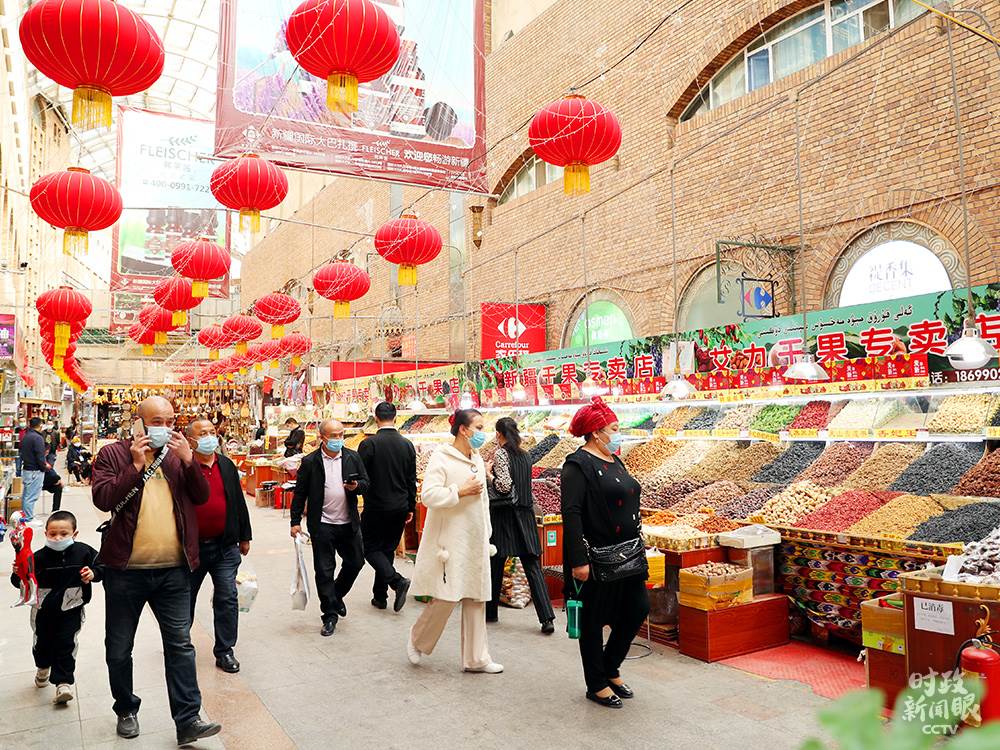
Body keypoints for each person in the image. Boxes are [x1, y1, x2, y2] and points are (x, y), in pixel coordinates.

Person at [91, 396, 221, 744]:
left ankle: (188, 719)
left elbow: (201, 496)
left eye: (170, 421)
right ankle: (126, 709)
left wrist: (191, 462)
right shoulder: (113, 454)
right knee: (119, 648)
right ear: (139, 423)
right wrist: (134, 466)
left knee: (180, 645)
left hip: (174, 571)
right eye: (157, 421)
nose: (165, 428)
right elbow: (103, 499)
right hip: (125, 571)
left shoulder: (178, 457)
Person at [561, 397, 650, 709]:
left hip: (629, 554)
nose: (618, 433)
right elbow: (571, 513)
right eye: (614, 428)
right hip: (596, 558)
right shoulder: (577, 465)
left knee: (638, 608)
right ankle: (596, 683)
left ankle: (610, 666)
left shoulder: (615, 460)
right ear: (596, 432)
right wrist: (578, 560)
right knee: (593, 619)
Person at [407, 409, 502, 674]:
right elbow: (429, 495)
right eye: (479, 427)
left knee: (476, 596)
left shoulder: (477, 457)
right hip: (450, 540)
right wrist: (459, 491)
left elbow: (483, 501)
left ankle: (477, 658)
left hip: (476, 537)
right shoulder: (442, 457)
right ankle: (418, 638)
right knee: (447, 596)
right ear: (463, 429)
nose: (483, 433)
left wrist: (487, 532)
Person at [9, 510, 102, 705]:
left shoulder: (84, 552)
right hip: (43, 611)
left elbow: (102, 566)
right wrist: (18, 573)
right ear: (46, 534)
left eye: (64, 533)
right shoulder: (37, 557)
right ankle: (43, 667)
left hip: (72, 609)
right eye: (53, 534)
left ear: (75, 534)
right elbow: (21, 582)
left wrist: (93, 573)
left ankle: (63, 683)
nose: (58, 538)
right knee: (43, 642)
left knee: (67, 643)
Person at [290, 419, 370, 636]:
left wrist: (356, 486)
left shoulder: (352, 457)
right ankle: (329, 615)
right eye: (333, 436)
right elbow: (300, 493)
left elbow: (366, 483)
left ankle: (335, 595)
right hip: (322, 524)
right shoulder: (310, 461)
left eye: (341, 435)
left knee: (356, 562)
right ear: (322, 438)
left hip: (348, 523)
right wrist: (295, 521)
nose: (338, 439)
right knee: (324, 570)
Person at [185, 419, 253, 674]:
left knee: (227, 597)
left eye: (212, 432)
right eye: (202, 433)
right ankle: (180, 646)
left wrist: (244, 536)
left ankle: (225, 650)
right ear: (190, 440)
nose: (209, 437)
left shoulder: (226, 464)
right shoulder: (183, 467)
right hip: (191, 549)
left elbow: (237, 501)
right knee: (184, 599)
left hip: (225, 546)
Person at [485, 417, 555, 633]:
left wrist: (488, 474)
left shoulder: (501, 454)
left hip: (505, 516)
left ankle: (490, 613)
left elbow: (504, 486)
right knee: (532, 566)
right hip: (526, 515)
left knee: (496, 562)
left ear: (499, 434)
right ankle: (547, 619)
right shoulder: (526, 455)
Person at [358, 402, 415, 612]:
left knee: (369, 547)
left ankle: (397, 581)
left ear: (376, 418)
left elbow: (361, 478)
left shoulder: (368, 444)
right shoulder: (407, 445)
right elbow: (411, 480)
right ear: (396, 417)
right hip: (400, 506)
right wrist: (411, 507)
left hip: (376, 506)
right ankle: (379, 596)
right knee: (387, 549)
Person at [19, 417, 49, 523]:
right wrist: (44, 467)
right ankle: (28, 518)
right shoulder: (37, 438)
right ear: (40, 425)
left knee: (26, 495)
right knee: (31, 496)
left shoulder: (26, 436)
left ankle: (26, 516)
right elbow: (40, 456)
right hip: (35, 471)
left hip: (27, 469)